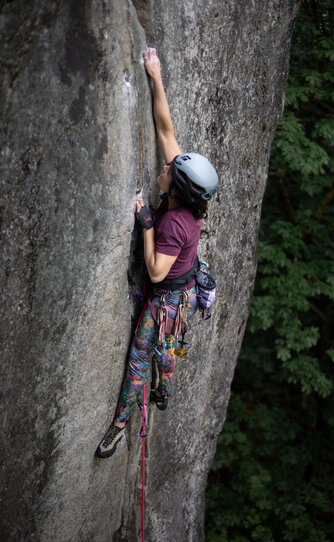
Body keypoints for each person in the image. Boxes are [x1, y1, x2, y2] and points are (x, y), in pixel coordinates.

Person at [96, 48, 218, 458]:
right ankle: (164, 388)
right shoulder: (187, 200)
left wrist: (147, 225)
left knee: (140, 358)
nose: (161, 171)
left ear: (178, 187)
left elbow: (155, 272)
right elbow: (166, 131)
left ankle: (118, 425)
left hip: (166, 300)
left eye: (167, 172)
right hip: (181, 298)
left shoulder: (172, 223)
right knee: (170, 350)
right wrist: (155, 76)